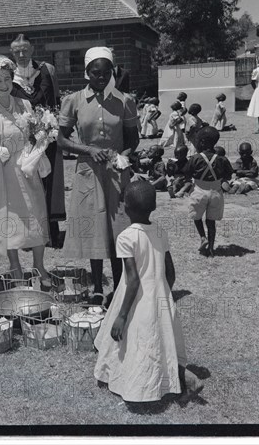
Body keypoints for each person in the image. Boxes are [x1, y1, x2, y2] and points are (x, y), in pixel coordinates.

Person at [94, 181, 203, 404]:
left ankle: (141, 386)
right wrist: (163, 293)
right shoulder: (160, 232)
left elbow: (132, 280)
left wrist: (122, 315)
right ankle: (185, 378)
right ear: (153, 206)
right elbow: (170, 272)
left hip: (136, 299)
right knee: (160, 343)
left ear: (125, 207)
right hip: (159, 294)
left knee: (140, 342)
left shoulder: (125, 237)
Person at [57, 47, 140, 298]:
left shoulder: (125, 101)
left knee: (117, 229)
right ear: (87, 73)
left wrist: (121, 155)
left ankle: (117, 287)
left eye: (106, 72)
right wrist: (88, 150)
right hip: (88, 171)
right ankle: (96, 288)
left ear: (112, 72)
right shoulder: (73, 101)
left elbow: (132, 140)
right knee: (94, 229)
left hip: (116, 172)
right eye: (96, 73)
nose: (101, 77)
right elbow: (61, 140)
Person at [0, 55, 50, 285]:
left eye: (7, 79)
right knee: (10, 221)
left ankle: (39, 265)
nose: (4, 85)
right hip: (2, 175)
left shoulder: (24, 104)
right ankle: (15, 266)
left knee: (36, 216)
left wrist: (41, 140)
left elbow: (35, 131)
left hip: (26, 170)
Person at [9, 33, 65, 248]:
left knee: (48, 181)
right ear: (12, 53)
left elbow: (55, 101)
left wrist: (52, 127)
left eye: (25, 50)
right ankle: (29, 234)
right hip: (22, 138)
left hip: (47, 136)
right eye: (17, 51)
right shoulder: (8, 75)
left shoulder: (46, 71)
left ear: (32, 50)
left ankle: (51, 231)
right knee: (26, 184)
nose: (21, 54)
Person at [183, 126, 234, 257]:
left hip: (199, 191)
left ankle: (202, 237)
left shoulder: (195, 158)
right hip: (216, 192)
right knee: (211, 222)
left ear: (202, 142)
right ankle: (211, 248)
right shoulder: (221, 159)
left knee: (197, 216)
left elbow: (186, 173)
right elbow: (229, 175)